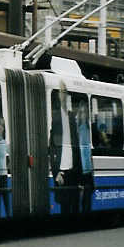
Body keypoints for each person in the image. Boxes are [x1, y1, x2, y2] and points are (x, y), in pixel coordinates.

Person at [49, 82, 81, 215]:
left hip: (73, 169)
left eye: (65, 92)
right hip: (61, 171)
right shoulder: (55, 117)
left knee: (74, 202)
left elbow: (77, 144)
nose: (63, 95)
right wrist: (56, 172)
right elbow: (52, 148)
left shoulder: (72, 117)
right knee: (63, 203)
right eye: (61, 92)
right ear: (58, 96)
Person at [76, 98, 94, 213]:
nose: (83, 114)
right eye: (81, 112)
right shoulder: (76, 128)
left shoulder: (89, 127)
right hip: (80, 164)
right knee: (81, 190)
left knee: (88, 189)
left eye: (85, 112)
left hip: (88, 166)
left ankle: (86, 210)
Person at [0, 118, 11, 218]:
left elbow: (8, 158)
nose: (1, 128)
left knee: (6, 200)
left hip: (4, 175)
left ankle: (9, 217)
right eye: (0, 125)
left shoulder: (5, 143)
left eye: (3, 126)